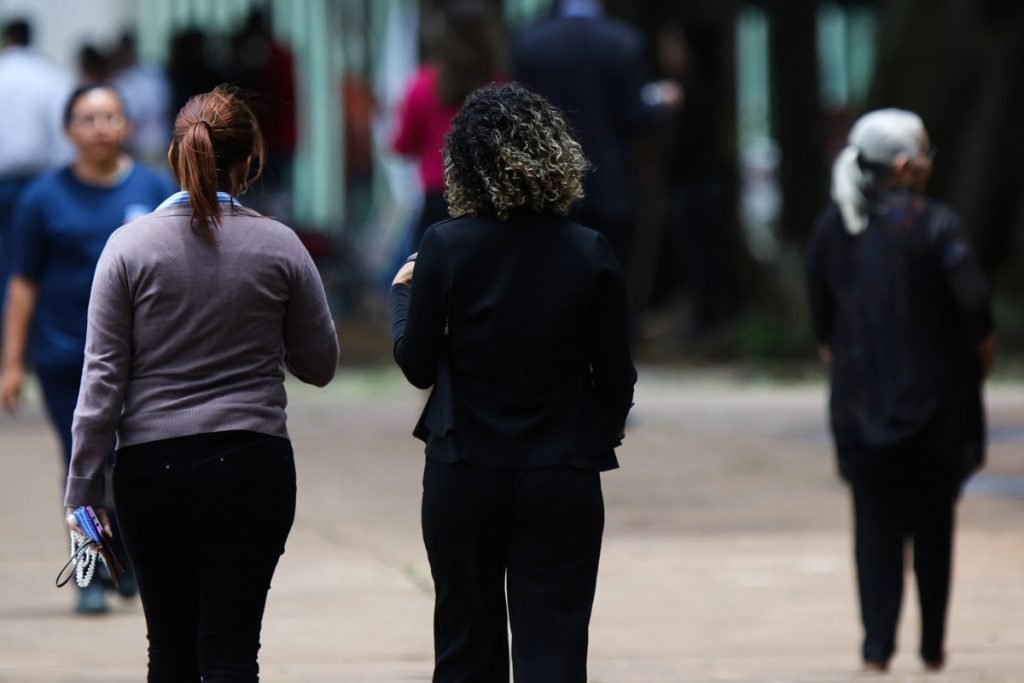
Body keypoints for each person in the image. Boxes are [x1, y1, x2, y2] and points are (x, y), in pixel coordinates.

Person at [61, 85, 338, 679]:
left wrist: (83, 490)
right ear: (248, 162)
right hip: (253, 465)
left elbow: (102, 382)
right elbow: (320, 364)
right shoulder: (280, 246)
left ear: (175, 156)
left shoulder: (128, 249)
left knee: (171, 652)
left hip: (150, 473)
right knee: (235, 650)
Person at [391, 83, 636, 682]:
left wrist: (403, 297)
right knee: (553, 650)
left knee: (465, 647)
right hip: (560, 472)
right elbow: (617, 376)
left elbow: (417, 364)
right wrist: (587, 437)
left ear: (465, 165)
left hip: (465, 465)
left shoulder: (444, 245)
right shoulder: (589, 250)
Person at [807, 109, 995, 673]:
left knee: (873, 526)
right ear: (908, 166)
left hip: (860, 408)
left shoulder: (831, 229)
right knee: (935, 526)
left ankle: (876, 649)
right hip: (936, 410)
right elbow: (977, 312)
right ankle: (932, 645)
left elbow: (824, 331)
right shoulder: (937, 225)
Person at [1, 84, 176, 614]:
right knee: (84, 466)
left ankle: (121, 554)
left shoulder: (155, 189)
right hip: (65, 359)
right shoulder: (42, 199)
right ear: (68, 131)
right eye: (87, 118)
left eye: (110, 116)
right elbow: (23, 284)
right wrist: (11, 362)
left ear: (127, 125)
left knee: (129, 467)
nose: (100, 127)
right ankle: (89, 576)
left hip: (142, 362)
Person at [512, 0, 678, 271]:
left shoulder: (529, 43)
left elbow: (519, 115)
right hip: (609, 188)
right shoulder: (623, 42)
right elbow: (634, 115)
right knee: (608, 286)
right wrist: (661, 104)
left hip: (547, 188)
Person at [391, 0, 503, 253]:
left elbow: (401, 145)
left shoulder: (423, 85)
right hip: (489, 198)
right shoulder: (502, 86)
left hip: (438, 198)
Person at [0, 18, 73, 338]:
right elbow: (64, 135)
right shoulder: (50, 76)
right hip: (40, 181)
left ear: (6, 38)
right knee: (36, 262)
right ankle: (30, 340)